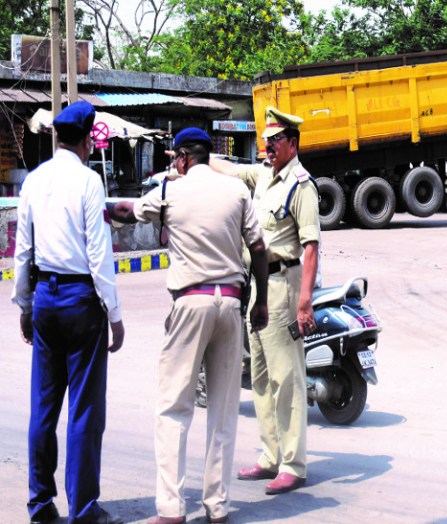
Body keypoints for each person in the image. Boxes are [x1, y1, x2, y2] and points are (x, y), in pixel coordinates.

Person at [106, 128, 269, 524]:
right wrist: (261, 301)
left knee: (173, 408)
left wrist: (98, 207)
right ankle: (218, 506)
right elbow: (259, 249)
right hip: (230, 303)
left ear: (181, 158)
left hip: (190, 302)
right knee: (224, 410)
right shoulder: (236, 191)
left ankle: (171, 508)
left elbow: (128, 212)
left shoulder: (169, 191)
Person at [11, 100, 125, 524]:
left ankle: (40, 504)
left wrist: (25, 305)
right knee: (83, 408)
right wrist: (114, 314)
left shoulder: (35, 181)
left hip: (45, 297)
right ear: (88, 142)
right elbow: (99, 256)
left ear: (57, 137)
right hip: (80, 300)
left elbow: (23, 251)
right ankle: (83, 508)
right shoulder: (89, 182)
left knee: (44, 406)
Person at [210, 106, 320, 495]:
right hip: (256, 287)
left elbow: (310, 248)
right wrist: (199, 156)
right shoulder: (264, 176)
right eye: (266, 143)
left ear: (292, 143)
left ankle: (293, 463)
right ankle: (270, 454)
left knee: (286, 376)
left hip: (283, 286)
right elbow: (233, 170)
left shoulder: (301, 186)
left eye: (275, 142)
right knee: (259, 375)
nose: (268, 148)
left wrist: (304, 302)